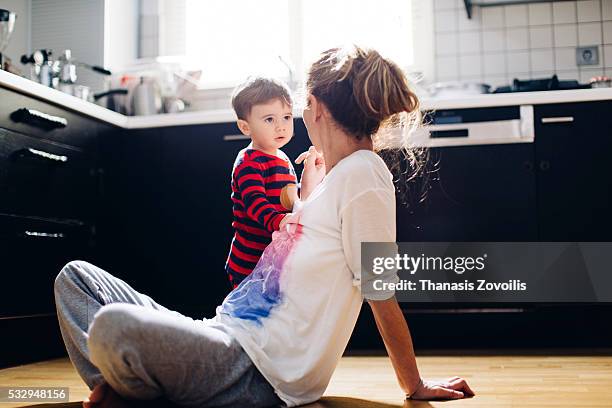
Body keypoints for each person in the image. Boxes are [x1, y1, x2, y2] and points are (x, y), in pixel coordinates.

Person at [54, 45, 474, 408]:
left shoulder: (364, 174)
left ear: (317, 108)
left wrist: (413, 385)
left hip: (258, 369)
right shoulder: (332, 179)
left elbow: (380, 290)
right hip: (225, 334)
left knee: (112, 326)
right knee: (74, 279)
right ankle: (134, 391)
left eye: (300, 106)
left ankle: (133, 392)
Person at [225, 77, 299, 288]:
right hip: (248, 263)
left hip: (272, 259)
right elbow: (255, 203)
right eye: (269, 119)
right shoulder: (249, 162)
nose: (281, 127)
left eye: (286, 117)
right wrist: (279, 221)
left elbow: (288, 196)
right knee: (248, 315)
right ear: (245, 127)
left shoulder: (283, 158)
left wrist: (312, 176)